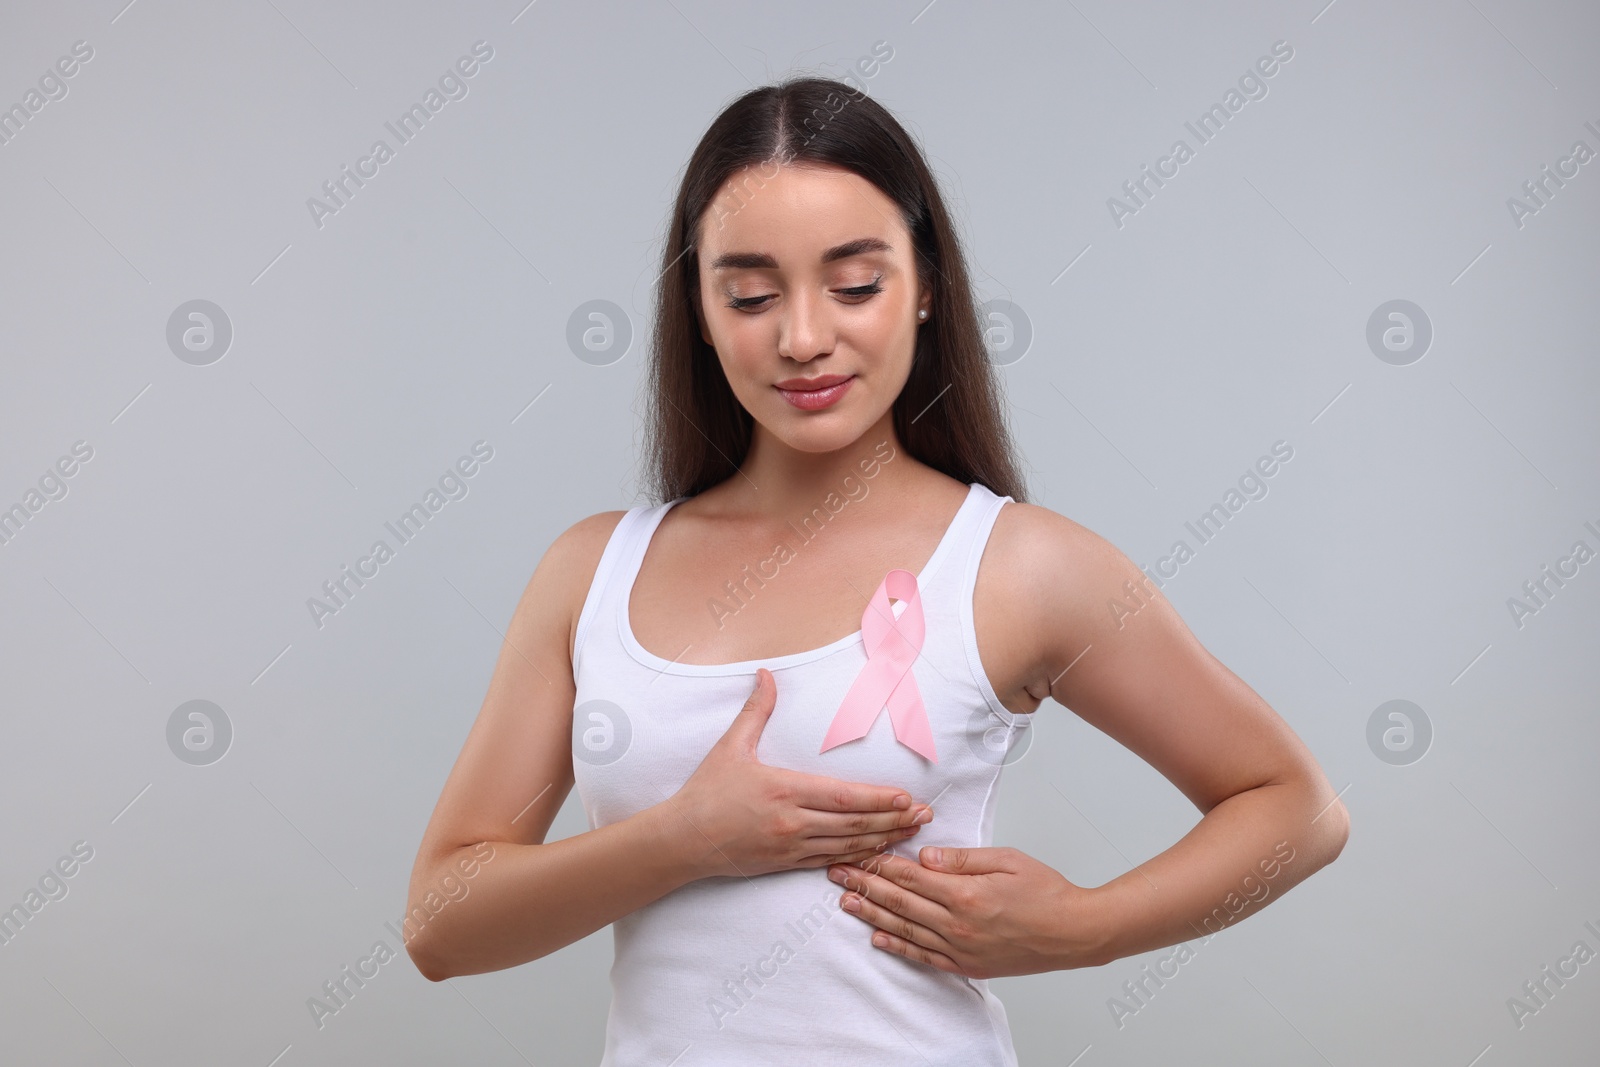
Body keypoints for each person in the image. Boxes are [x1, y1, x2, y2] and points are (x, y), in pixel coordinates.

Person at [403, 76, 1349, 1064]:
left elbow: (1297, 806)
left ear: (927, 283)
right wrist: (686, 836)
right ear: (698, 306)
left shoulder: (1018, 565)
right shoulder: (592, 570)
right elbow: (441, 924)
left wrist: (1083, 928)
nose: (803, 336)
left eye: (855, 284)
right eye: (750, 294)